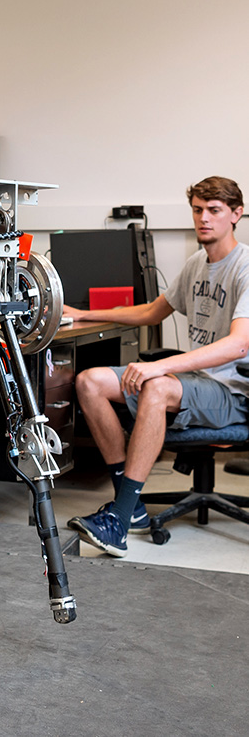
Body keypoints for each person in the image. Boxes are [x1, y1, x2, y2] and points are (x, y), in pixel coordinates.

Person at [63, 176, 249, 559]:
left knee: (157, 385)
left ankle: (117, 521)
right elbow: (151, 312)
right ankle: (129, 508)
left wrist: (159, 367)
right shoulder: (198, 263)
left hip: (233, 391)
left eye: (214, 211)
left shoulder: (245, 267)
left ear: (236, 214)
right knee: (90, 381)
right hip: (197, 382)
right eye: (198, 210)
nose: (204, 219)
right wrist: (82, 314)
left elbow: (238, 344)